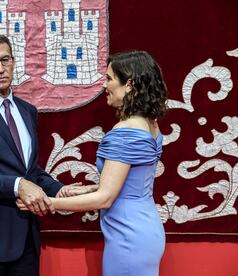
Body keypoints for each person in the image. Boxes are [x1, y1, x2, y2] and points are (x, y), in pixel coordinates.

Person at [0, 33, 86, 276]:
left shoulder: (27, 111)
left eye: (5, 59)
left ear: (13, 62)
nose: (0, 68)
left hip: (25, 239)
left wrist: (58, 189)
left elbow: (30, 171)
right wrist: (18, 185)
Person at [18, 50, 168, 276]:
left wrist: (46, 202)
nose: (104, 85)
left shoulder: (125, 132)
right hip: (146, 230)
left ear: (129, 85)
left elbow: (105, 198)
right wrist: (93, 187)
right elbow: (133, 184)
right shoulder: (150, 124)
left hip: (127, 237)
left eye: (109, 79)